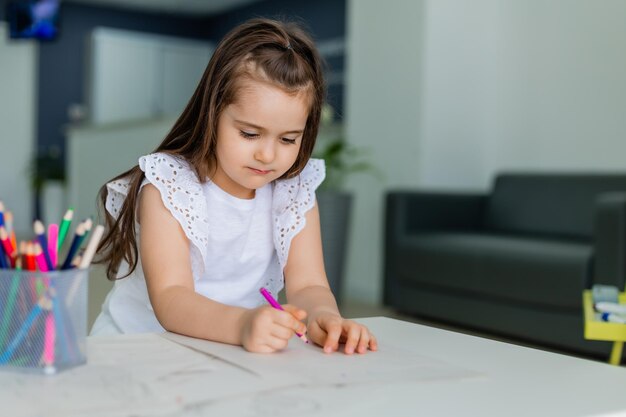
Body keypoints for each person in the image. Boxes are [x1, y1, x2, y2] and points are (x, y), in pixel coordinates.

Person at [91, 18, 377, 355]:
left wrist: (324, 317)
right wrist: (242, 325)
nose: (267, 154)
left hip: (223, 353)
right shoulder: (169, 188)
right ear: (212, 114)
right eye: (249, 134)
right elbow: (171, 298)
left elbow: (309, 284)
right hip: (134, 350)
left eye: (288, 139)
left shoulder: (293, 193)